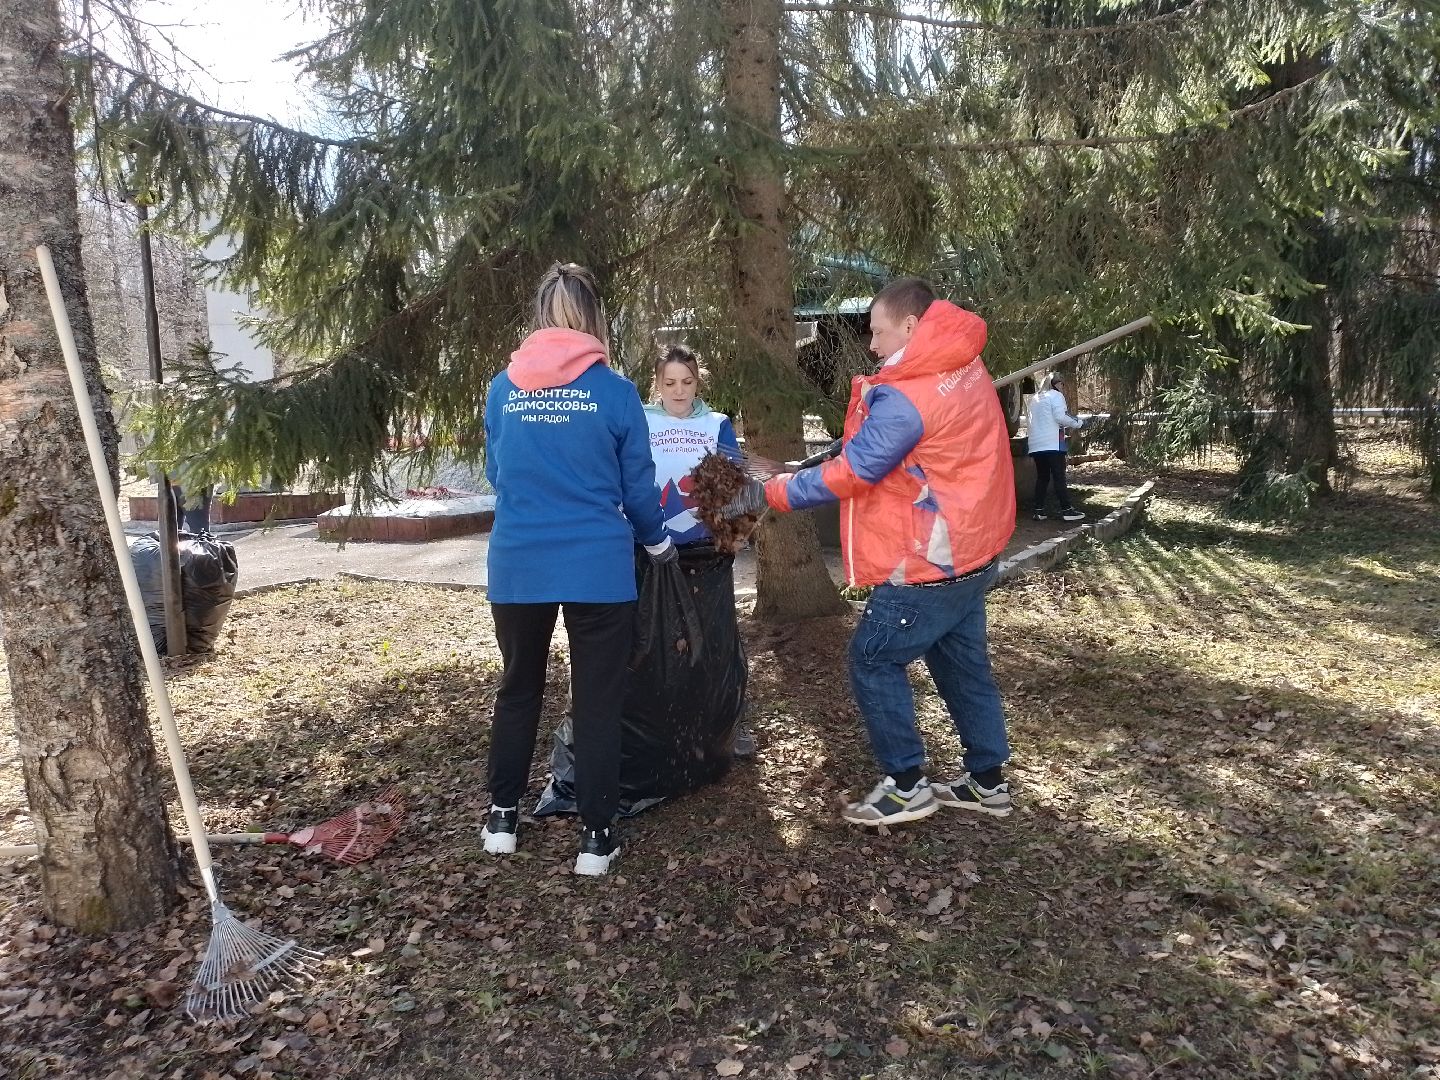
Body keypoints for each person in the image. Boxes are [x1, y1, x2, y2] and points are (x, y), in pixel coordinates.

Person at [725, 278, 1017, 826]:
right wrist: (812, 461)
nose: (874, 345)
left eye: (879, 332)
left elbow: (859, 471)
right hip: (974, 550)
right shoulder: (961, 365)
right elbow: (892, 444)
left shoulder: (910, 392)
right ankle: (987, 782)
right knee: (964, 666)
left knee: (872, 658)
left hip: (931, 559)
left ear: (910, 326)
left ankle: (907, 786)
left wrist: (773, 490)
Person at [482, 262, 672, 875]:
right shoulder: (614, 392)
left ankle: (502, 819)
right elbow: (637, 488)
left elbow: (498, 472)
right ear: (594, 319)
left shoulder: (501, 389)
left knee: (517, 689)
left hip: (518, 561)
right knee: (596, 702)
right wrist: (658, 543)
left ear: (539, 317)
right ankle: (595, 837)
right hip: (597, 563)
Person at [643, 345, 756, 758]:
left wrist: (733, 535)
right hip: (652, 553)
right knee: (659, 641)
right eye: (669, 383)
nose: (678, 392)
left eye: (687, 382)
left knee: (714, 640)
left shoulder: (715, 424)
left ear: (698, 382)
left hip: (705, 556)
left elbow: (737, 487)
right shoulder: (640, 420)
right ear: (657, 384)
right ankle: (661, 726)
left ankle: (722, 726)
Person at [1026, 372, 1085, 522]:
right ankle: (1067, 510)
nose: (1062, 387)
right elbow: (1060, 416)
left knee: (1043, 477)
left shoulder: (1034, 399)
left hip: (1035, 444)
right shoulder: (1056, 395)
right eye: (1061, 384)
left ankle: (1038, 510)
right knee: (1059, 476)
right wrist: (1078, 423)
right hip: (1053, 443)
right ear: (1055, 384)